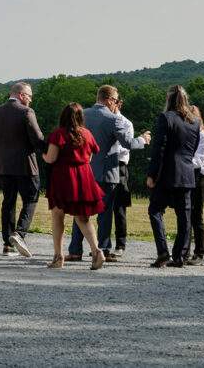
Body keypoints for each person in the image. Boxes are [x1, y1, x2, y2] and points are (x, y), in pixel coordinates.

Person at [66, 85, 147, 263]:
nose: (116, 105)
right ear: (109, 100)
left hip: (83, 170)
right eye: (115, 101)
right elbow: (128, 144)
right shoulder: (114, 120)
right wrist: (143, 140)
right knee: (104, 214)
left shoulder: (82, 115)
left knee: (81, 211)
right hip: (106, 172)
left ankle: (75, 250)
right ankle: (103, 250)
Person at [44, 103, 107, 270]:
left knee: (58, 216)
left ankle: (58, 257)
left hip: (63, 177)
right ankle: (96, 251)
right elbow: (90, 158)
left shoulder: (58, 135)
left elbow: (51, 158)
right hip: (84, 176)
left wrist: (43, 154)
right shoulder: (87, 134)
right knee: (83, 218)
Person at [0, 82, 44, 258]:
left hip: (3, 164)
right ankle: (19, 234)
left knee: (8, 202)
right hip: (26, 164)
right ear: (21, 95)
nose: (31, 99)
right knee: (31, 199)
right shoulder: (26, 112)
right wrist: (49, 150)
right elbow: (37, 138)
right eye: (29, 96)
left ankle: (7, 245)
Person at [146, 85, 201, 268]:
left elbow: (159, 149)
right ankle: (180, 255)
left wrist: (152, 174)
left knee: (155, 210)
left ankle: (163, 251)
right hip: (186, 174)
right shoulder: (195, 122)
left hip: (166, 174)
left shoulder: (166, 118)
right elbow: (193, 148)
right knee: (184, 216)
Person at [111, 98, 150, 259]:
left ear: (118, 103)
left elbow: (124, 148)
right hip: (103, 165)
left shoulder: (126, 123)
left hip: (119, 166)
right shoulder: (105, 120)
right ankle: (102, 243)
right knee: (102, 207)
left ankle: (120, 245)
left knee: (119, 208)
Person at [186, 104, 204, 266]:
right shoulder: (187, 135)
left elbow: (198, 160)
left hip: (198, 176)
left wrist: (180, 163)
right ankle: (185, 250)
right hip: (186, 174)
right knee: (185, 215)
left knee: (196, 216)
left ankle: (199, 254)